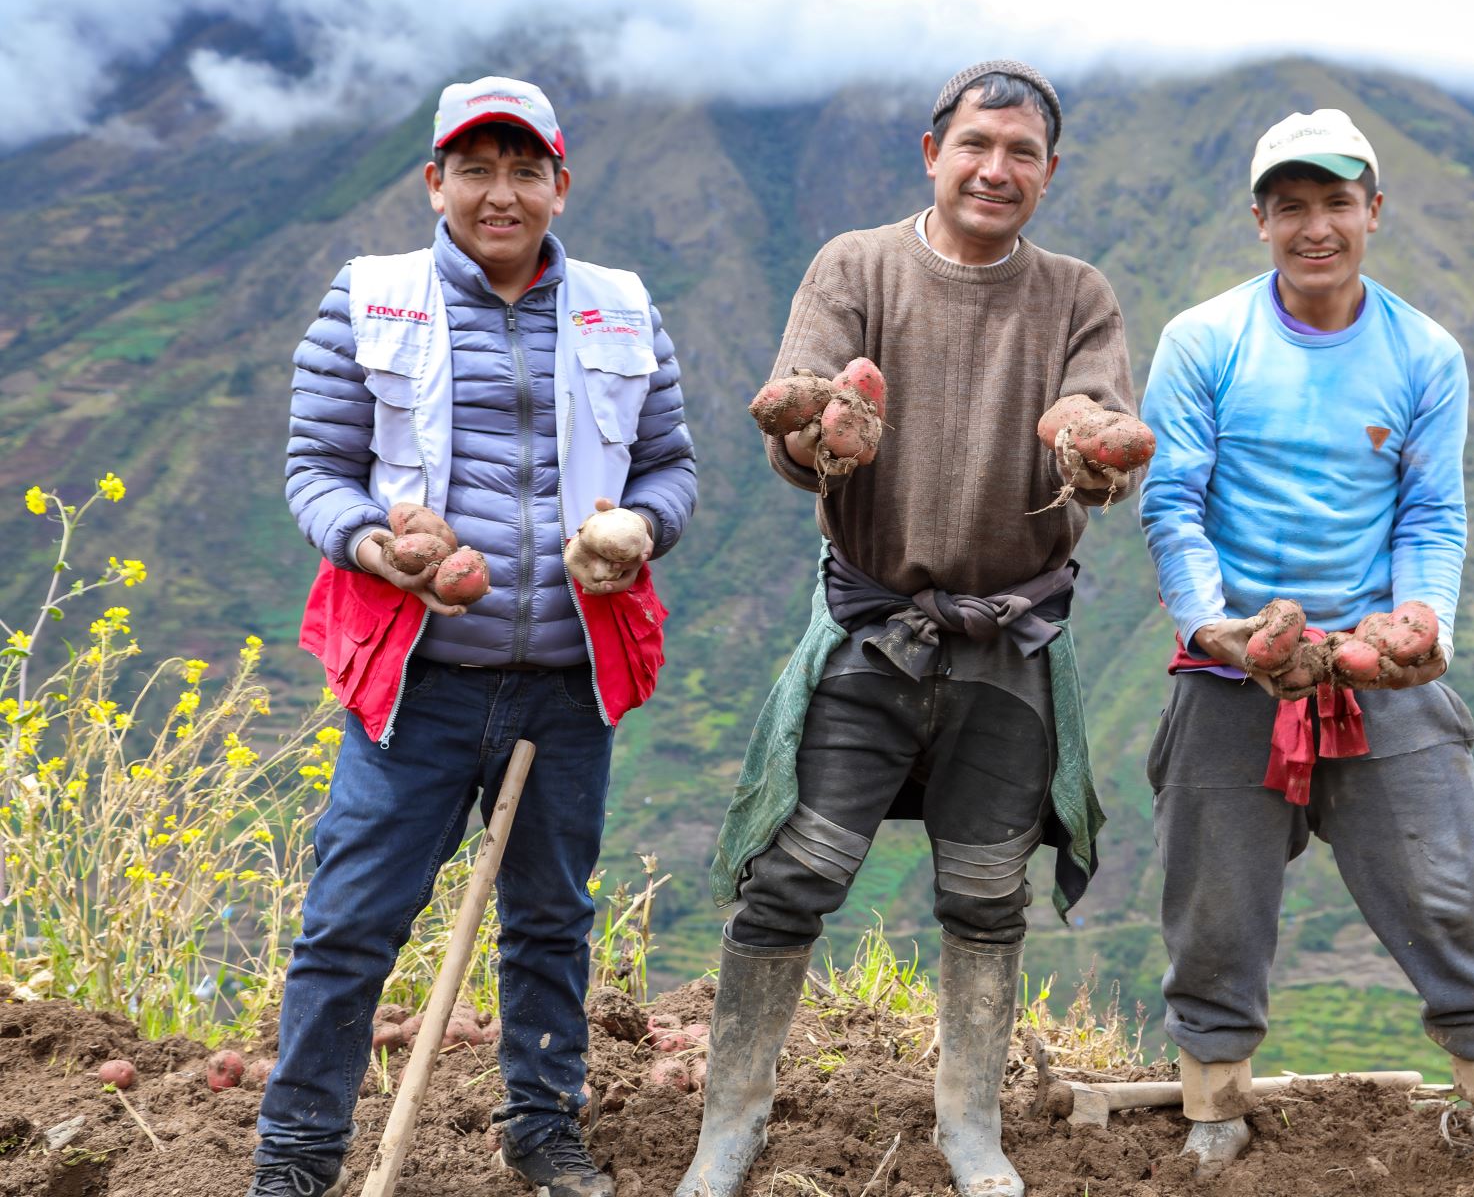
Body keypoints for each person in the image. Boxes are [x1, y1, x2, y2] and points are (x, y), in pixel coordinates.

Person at [678, 60, 1135, 1197]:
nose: (996, 169)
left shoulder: (1078, 296)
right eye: (976, 145)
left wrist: (1088, 440)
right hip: (875, 624)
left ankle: (969, 1124)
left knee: (987, 891)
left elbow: (1102, 432)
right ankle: (729, 1123)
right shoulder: (857, 265)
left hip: (1009, 641)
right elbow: (797, 414)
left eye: (1021, 153)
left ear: (1049, 172)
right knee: (793, 877)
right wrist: (829, 432)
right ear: (931, 153)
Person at [258, 76, 696, 1197]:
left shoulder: (622, 306)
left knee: (550, 923)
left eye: (523, 170)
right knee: (351, 924)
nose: (499, 194)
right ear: (433, 184)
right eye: (473, 169)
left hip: (567, 680)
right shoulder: (370, 298)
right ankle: (298, 1157)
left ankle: (541, 1130)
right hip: (420, 685)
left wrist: (639, 527)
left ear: (561, 183)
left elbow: (671, 466)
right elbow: (315, 470)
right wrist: (373, 546)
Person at [1138, 109, 1474, 1187]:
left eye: (1337, 201)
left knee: (1450, 887)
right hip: (1235, 664)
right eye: (1291, 205)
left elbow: (1433, 515)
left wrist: (1424, 625)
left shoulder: (1423, 352)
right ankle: (1215, 1106)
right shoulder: (1205, 341)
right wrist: (1217, 629)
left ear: (1373, 211)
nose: (1316, 225)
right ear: (1260, 221)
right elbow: (1171, 505)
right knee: (1216, 902)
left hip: (1372, 666)